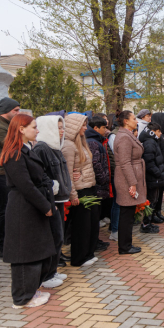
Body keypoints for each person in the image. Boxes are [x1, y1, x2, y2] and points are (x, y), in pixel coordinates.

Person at [0, 114, 55, 309]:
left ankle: (31, 290)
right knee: (25, 254)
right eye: (33, 127)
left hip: (31, 206)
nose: (37, 130)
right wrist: (45, 206)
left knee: (36, 250)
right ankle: (22, 298)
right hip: (23, 208)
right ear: (21, 129)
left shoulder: (25, 149)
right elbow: (26, 186)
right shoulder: (14, 153)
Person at [33, 116, 71, 286]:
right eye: (58, 128)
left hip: (59, 198)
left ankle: (52, 271)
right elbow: (39, 175)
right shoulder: (41, 148)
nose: (62, 131)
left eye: (63, 127)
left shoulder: (56, 147)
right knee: (52, 237)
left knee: (58, 236)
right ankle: (46, 276)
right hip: (50, 199)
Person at [62, 114, 99, 267]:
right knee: (81, 227)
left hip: (89, 187)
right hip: (80, 190)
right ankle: (78, 258)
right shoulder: (68, 146)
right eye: (83, 125)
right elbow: (68, 174)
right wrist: (73, 195)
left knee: (91, 224)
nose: (85, 128)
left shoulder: (81, 143)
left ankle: (88, 253)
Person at [0, 97, 21, 260]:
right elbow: (13, 145)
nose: (18, 113)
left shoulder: (8, 126)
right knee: (2, 210)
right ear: (6, 111)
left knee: (8, 210)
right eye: (15, 110)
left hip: (7, 173)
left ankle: (6, 244)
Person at [113, 110, 145, 254]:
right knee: (126, 214)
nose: (136, 121)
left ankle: (126, 244)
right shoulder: (124, 137)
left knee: (128, 213)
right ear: (126, 121)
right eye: (134, 119)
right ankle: (124, 246)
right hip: (126, 179)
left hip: (129, 177)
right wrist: (132, 183)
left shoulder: (127, 135)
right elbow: (125, 162)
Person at [85, 116, 112, 249]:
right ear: (96, 128)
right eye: (103, 127)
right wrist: (104, 179)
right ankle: (93, 242)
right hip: (97, 185)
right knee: (94, 216)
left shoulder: (97, 141)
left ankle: (96, 240)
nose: (105, 130)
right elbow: (96, 164)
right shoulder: (93, 142)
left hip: (99, 184)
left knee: (96, 216)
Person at [138, 122, 164, 233]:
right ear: (153, 131)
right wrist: (158, 173)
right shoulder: (150, 143)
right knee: (151, 200)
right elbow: (149, 162)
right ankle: (146, 224)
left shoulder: (152, 141)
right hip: (153, 177)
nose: (160, 133)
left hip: (154, 177)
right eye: (158, 131)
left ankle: (148, 222)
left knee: (153, 200)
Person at [151, 113, 164, 222]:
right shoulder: (156, 136)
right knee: (156, 193)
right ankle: (153, 213)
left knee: (161, 191)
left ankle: (158, 211)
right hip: (159, 168)